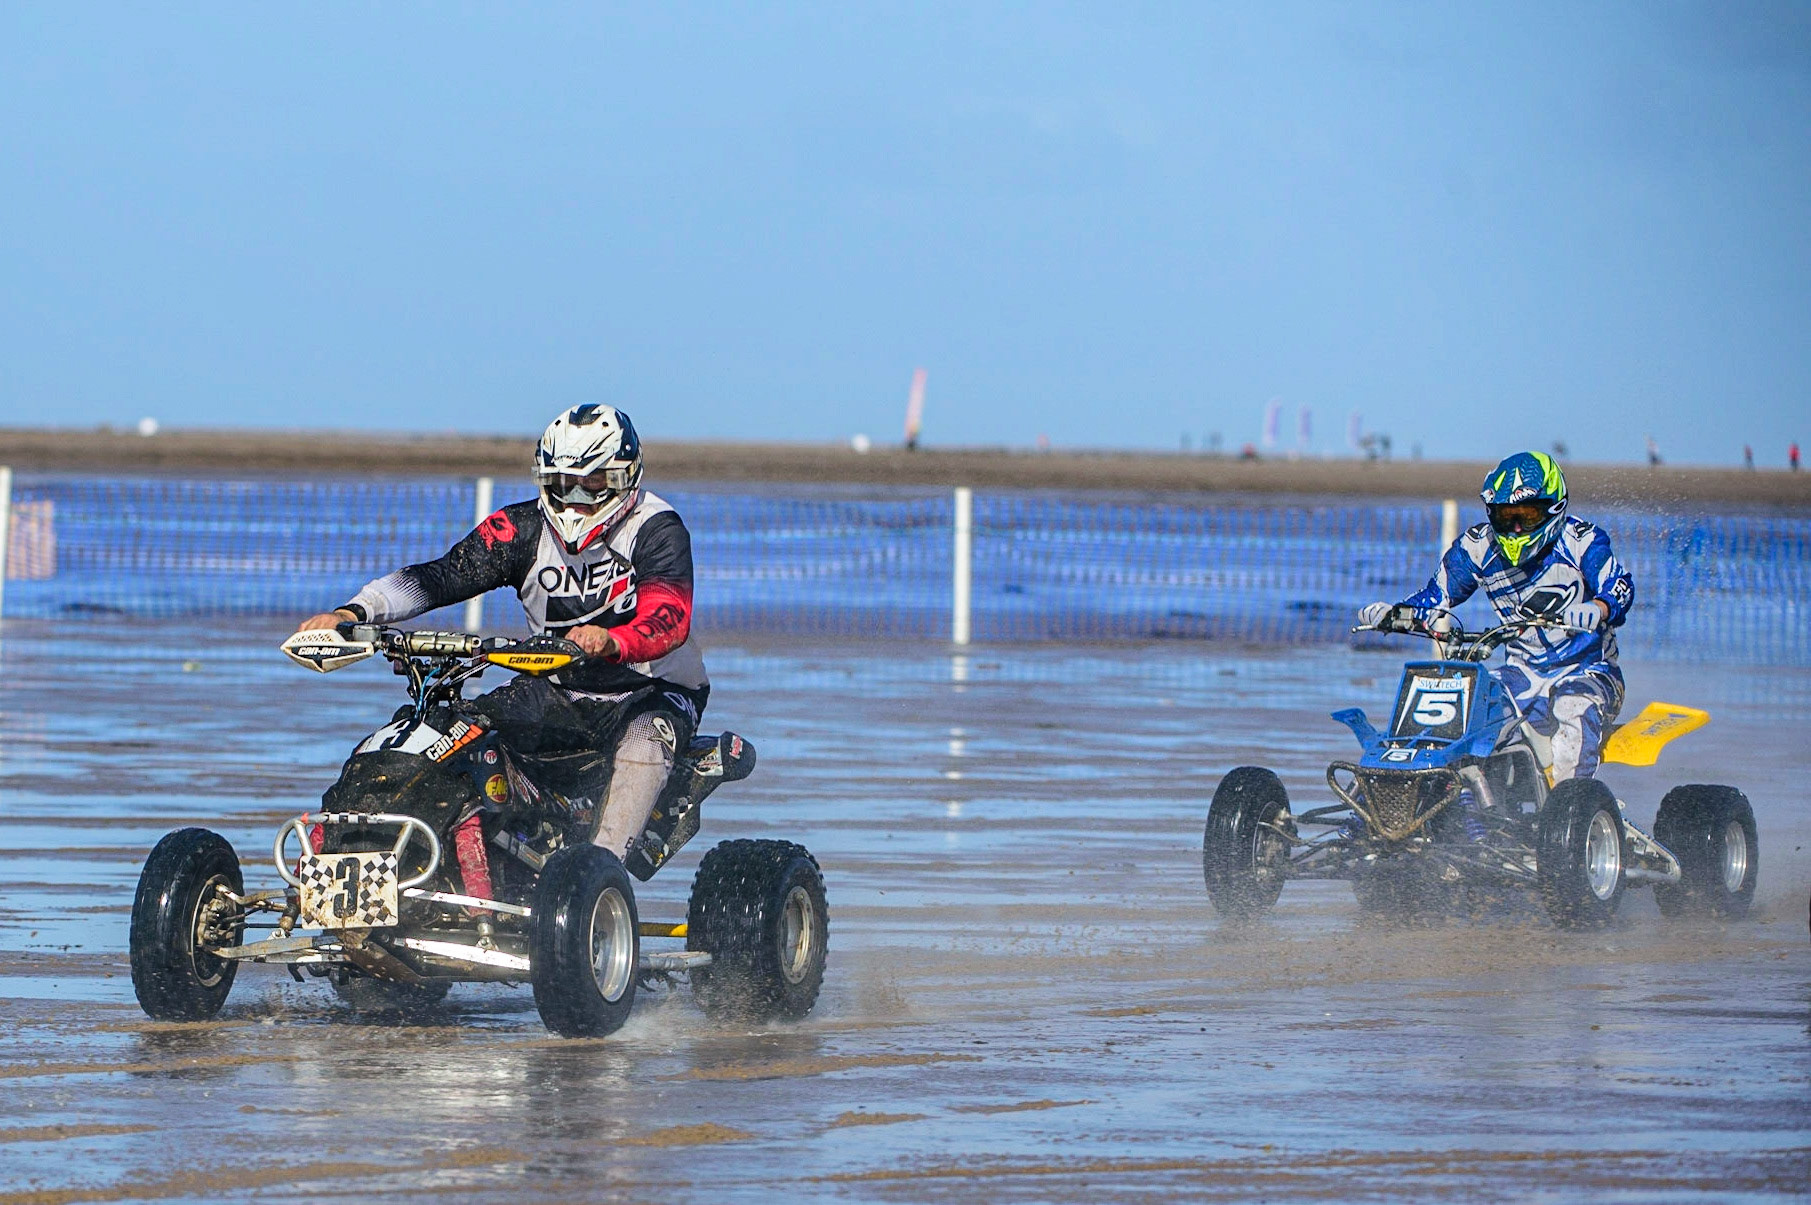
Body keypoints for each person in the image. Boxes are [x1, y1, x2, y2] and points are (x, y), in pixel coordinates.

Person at [294, 404, 708, 859]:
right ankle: (375, 853)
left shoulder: (657, 528)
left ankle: (602, 869)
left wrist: (613, 641)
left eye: (592, 485)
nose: (575, 500)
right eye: (560, 484)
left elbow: (670, 616)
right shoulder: (519, 527)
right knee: (455, 732)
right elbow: (441, 576)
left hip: (652, 690)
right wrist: (354, 612)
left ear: (624, 476)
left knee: (644, 745)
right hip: (555, 687)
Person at [1358, 451, 1633, 782]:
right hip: (1521, 675)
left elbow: (1619, 585)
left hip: (1590, 672)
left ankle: (1569, 804)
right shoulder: (1478, 547)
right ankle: (1442, 803)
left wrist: (1598, 607)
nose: (1516, 528)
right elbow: (1436, 596)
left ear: (1554, 508)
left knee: (1571, 705)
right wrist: (1394, 613)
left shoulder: (1582, 541)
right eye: (1506, 517)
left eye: (1527, 516)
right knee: (1468, 707)